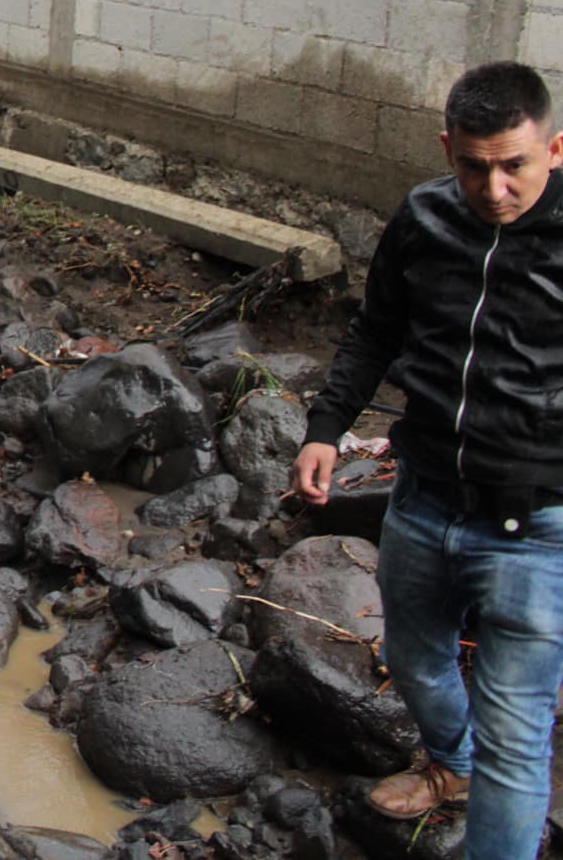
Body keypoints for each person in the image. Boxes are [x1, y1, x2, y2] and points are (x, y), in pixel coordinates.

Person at [292, 60, 563, 858]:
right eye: (474, 167)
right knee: (414, 663)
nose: (495, 189)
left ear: (554, 150)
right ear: (449, 149)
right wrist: (325, 426)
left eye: (514, 165)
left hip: (534, 530)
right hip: (423, 503)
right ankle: (450, 763)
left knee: (518, 745)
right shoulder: (424, 218)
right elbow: (375, 328)